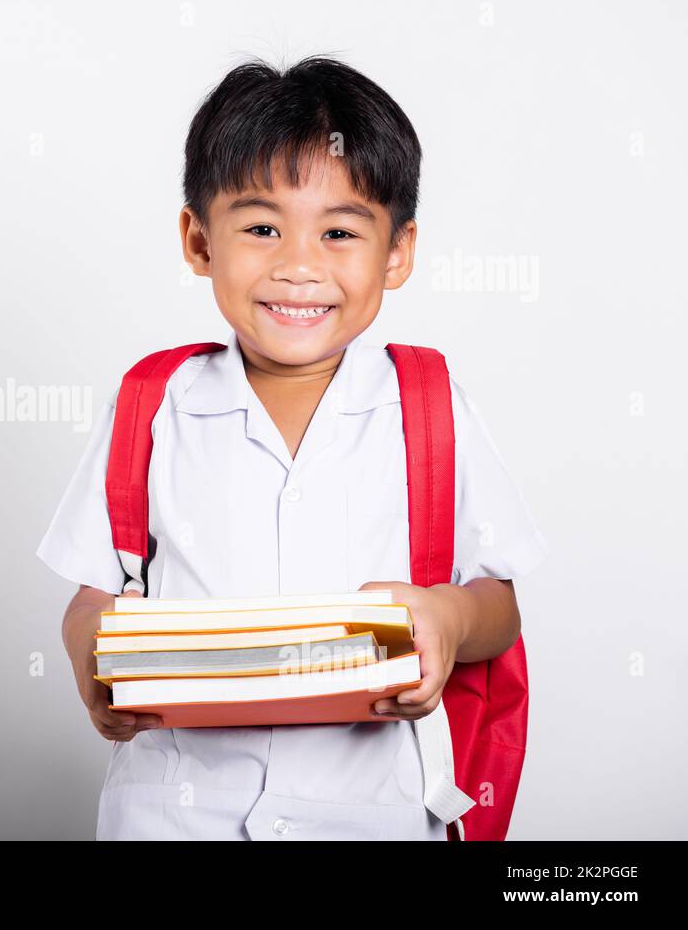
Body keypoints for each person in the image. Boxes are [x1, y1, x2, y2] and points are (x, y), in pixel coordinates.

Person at [36, 56, 548, 840]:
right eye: (262, 227)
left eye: (340, 231)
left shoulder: (430, 405)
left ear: (398, 250)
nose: (299, 264)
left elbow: (498, 606)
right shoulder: (152, 404)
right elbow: (93, 593)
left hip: (371, 813)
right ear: (199, 240)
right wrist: (88, 656)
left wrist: (447, 615)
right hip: (175, 815)